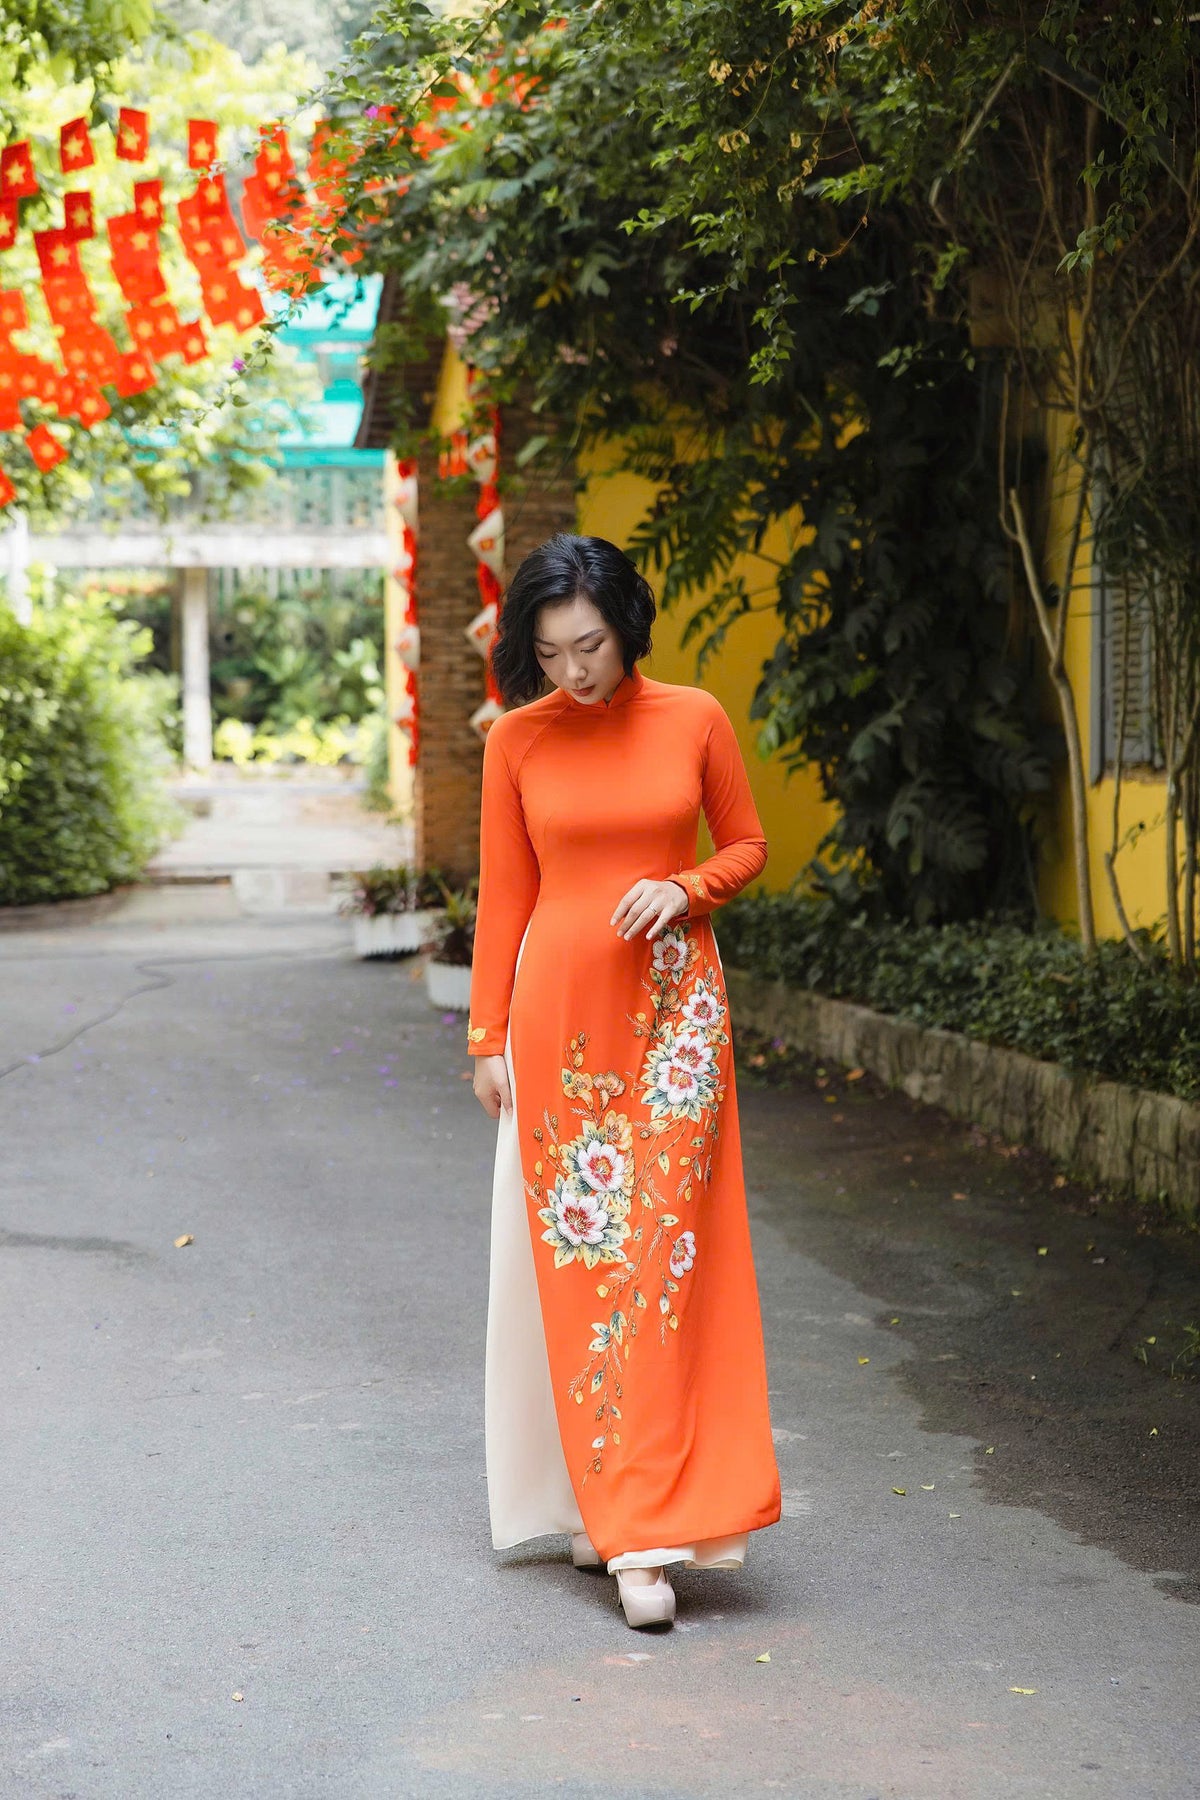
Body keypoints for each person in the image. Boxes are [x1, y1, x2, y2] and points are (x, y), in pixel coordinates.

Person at [467, 533, 781, 1629]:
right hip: (561, 1027)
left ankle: (650, 1527)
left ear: (626, 626)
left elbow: (747, 846)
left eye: (589, 645)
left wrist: (684, 887)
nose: (573, 673)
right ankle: (601, 1511)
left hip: (677, 1021)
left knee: (666, 1261)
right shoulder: (517, 740)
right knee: (583, 1267)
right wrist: (485, 1036)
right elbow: (506, 897)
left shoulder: (693, 717)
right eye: (549, 654)